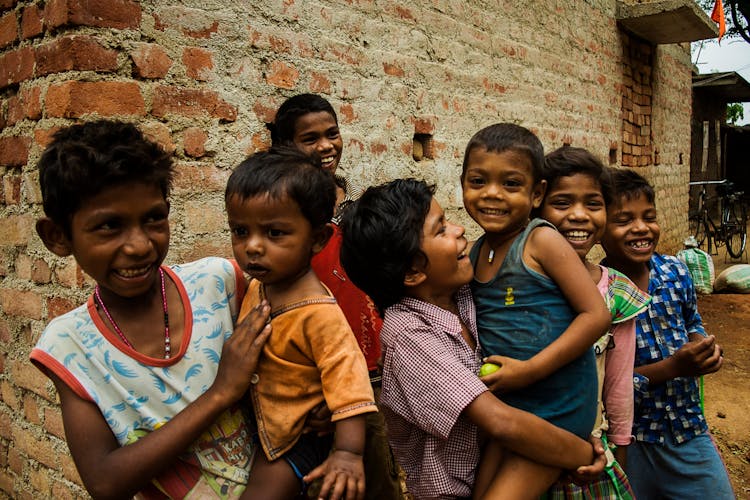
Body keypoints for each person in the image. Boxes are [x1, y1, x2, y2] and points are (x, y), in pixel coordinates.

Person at [29, 119, 273, 499]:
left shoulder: (218, 283)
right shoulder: (69, 345)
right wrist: (220, 393)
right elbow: (106, 481)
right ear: (59, 237)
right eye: (110, 226)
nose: (140, 245)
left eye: (154, 218)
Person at [340, 178, 605, 499]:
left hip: (506, 462)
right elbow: (500, 422)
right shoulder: (409, 335)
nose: (459, 230)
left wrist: (567, 433)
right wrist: (580, 454)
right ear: (412, 272)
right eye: (440, 230)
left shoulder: (466, 294)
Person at [461, 123, 611, 497]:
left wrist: (529, 371)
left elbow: (596, 316)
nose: (492, 194)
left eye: (511, 184)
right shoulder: (477, 252)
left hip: (554, 409)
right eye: (478, 181)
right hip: (510, 409)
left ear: (536, 192)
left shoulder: (541, 241)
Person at [226, 147, 377, 500]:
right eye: (240, 231)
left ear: (318, 239)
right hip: (267, 427)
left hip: (300, 440)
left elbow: (352, 387)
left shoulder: (319, 313)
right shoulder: (260, 285)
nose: (253, 247)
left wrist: (347, 454)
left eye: (274, 233)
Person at [270, 93, 400, 499]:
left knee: (376, 475)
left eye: (332, 134)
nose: (326, 146)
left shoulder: (355, 208)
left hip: (367, 373)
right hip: (312, 379)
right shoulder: (282, 217)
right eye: (310, 139)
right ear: (285, 147)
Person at [599, 168, 734, 500]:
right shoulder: (598, 294)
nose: (641, 228)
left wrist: (701, 346)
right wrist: (673, 368)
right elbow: (604, 386)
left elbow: (691, 321)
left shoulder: (675, 271)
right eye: (624, 220)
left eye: (649, 217)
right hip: (632, 439)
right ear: (598, 229)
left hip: (687, 428)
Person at [539, 147, 652, 499]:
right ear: (536, 204)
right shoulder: (519, 286)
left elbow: (619, 387)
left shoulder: (615, 292)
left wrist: (618, 450)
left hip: (591, 453)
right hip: (525, 447)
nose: (579, 216)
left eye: (593, 203)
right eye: (562, 203)